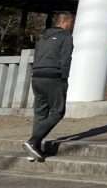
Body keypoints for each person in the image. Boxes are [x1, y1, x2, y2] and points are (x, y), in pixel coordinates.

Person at [23, 11, 74, 162]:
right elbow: (66, 58)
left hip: (37, 77)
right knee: (58, 112)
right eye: (70, 23)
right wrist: (64, 77)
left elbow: (37, 56)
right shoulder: (66, 37)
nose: (70, 26)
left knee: (40, 112)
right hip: (53, 77)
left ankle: (35, 148)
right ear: (65, 22)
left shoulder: (42, 37)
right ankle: (33, 141)